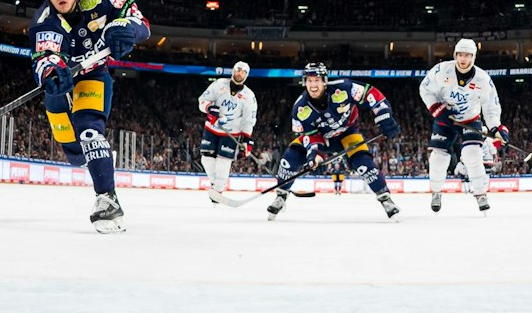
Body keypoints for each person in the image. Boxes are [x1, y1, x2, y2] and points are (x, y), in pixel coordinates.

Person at [28, 0, 149, 231]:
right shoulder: (44, 22)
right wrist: (51, 73)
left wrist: (126, 29)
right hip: (64, 82)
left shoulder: (102, 0)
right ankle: (92, 157)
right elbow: (44, 58)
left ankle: (107, 199)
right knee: (73, 152)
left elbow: (139, 20)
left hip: (93, 75)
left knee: (89, 132)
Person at [268, 62, 401, 221]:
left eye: (317, 80)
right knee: (290, 157)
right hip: (321, 138)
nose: (313, 85)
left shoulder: (344, 87)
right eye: (309, 81)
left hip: (347, 133)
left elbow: (370, 93)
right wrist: (315, 156)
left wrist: (384, 114)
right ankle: (281, 196)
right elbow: (310, 137)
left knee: (364, 163)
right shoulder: (300, 109)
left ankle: (385, 198)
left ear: (324, 81)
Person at [419, 37, 506, 213]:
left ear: (473, 57)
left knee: (472, 155)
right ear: (455, 55)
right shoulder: (441, 70)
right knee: (438, 157)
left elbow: (490, 107)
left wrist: (496, 128)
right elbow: (425, 89)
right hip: (445, 118)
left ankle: (480, 193)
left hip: (470, 120)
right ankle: (436, 192)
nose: (463, 59)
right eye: (460, 54)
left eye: (467, 55)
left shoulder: (483, 79)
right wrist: (436, 109)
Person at [198, 61, 258, 204]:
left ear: (246, 75)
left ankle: (218, 190)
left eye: (243, 72)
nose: (239, 73)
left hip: (232, 133)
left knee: (223, 163)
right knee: (206, 159)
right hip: (212, 128)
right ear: (233, 71)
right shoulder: (219, 84)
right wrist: (209, 108)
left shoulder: (249, 96)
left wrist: (246, 139)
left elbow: (248, 120)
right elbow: (202, 100)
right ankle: (216, 184)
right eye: (238, 70)